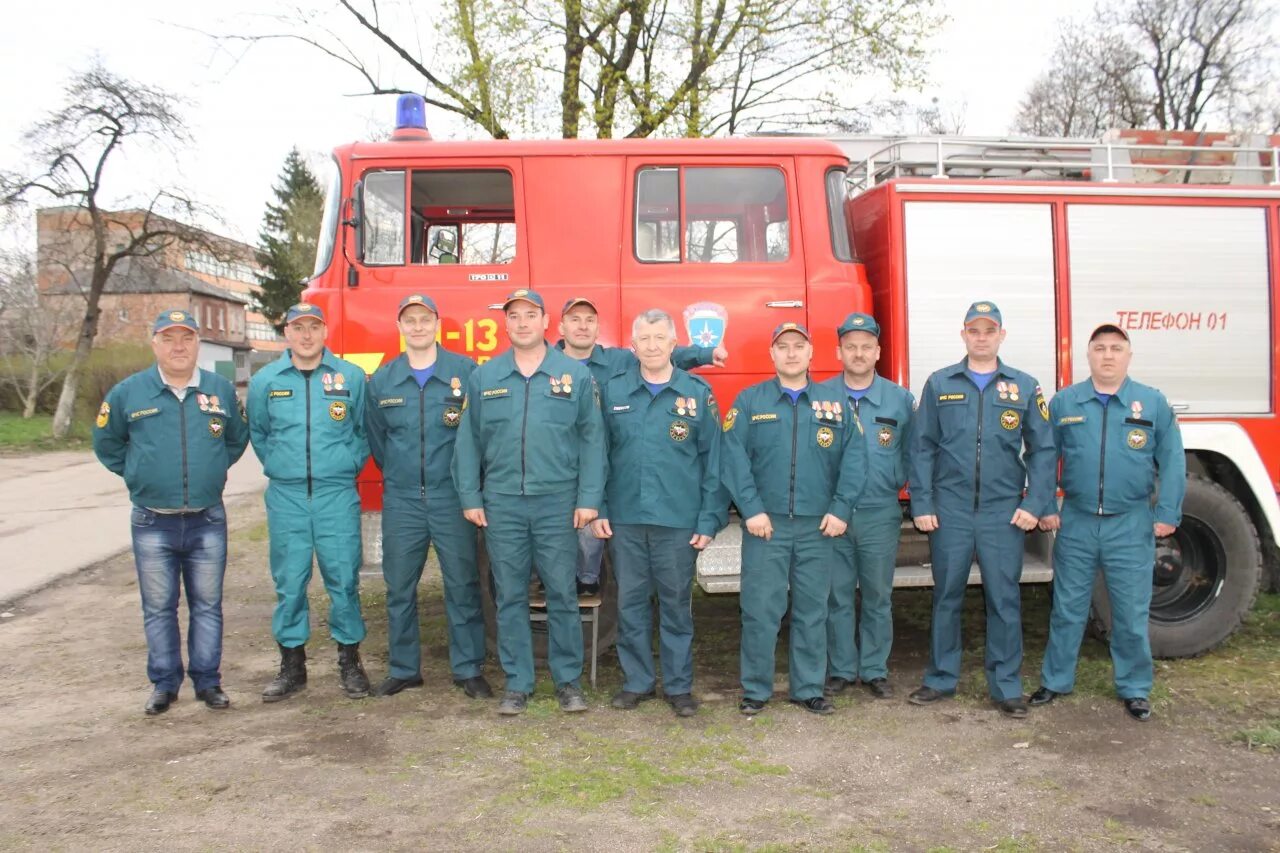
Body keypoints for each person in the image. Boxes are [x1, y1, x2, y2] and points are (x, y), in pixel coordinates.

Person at [452, 288, 606, 715]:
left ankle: (568, 682)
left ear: (545, 322)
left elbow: (594, 440)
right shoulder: (485, 377)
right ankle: (518, 682)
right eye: (514, 315)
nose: (522, 322)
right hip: (502, 503)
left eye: (530, 314)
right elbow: (467, 442)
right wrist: (471, 495)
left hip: (558, 502)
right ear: (505, 324)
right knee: (510, 594)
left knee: (562, 591)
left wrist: (589, 497)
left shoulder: (574, 375)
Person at [93, 309, 249, 716]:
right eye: (168, 338)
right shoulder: (129, 393)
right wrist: (139, 475)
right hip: (153, 521)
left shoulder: (219, 390)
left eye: (186, 338)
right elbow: (107, 444)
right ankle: (164, 684)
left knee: (208, 605)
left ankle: (208, 682)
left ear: (198, 343)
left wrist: (209, 471)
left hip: (206, 518)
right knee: (159, 607)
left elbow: (235, 441)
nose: (178, 346)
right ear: (154, 344)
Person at [906, 301, 1055, 718]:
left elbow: (1044, 449)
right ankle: (940, 678)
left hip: (1002, 513)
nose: (982, 336)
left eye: (990, 330)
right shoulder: (940, 383)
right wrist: (923, 502)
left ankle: (1006, 686)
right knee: (946, 596)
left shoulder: (1024, 386)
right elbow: (921, 448)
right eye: (975, 330)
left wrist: (1033, 503)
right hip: (949, 511)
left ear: (1002, 336)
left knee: (1004, 599)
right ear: (964, 334)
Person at [1031, 324, 1185, 722]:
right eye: (1100, 348)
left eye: (1116, 348)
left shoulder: (1150, 404)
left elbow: (1173, 462)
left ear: (1128, 355)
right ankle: (1056, 680)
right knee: (1067, 608)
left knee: (1130, 612)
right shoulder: (1066, 403)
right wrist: (1046, 504)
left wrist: (1167, 513)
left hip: (1130, 523)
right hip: (1078, 521)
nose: (1108, 355)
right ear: (1088, 356)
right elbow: (1045, 459)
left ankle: (1134, 688)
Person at [720, 322, 865, 716]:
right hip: (766, 526)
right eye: (782, 347)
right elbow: (732, 459)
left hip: (819, 525)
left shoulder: (834, 405)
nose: (790, 353)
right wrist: (751, 510)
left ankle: (807, 688)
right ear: (772, 354)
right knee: (760, 610)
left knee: (812, 610)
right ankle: (755, 689)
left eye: (798, 346)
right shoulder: (750, 402)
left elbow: (855, 459)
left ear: (811, 352)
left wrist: (840, 509)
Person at [591, 309, 726, 717]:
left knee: (675, 606)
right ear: (633, 347)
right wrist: (598, 508)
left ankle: (679, 687)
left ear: (673, 344)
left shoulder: (697, 393)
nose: (651, 346)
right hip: (627, 519)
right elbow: (598, 455)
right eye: (643, 339)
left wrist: (708, 519)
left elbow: (713, 463)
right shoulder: (613, 392)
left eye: (659, 338)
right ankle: (638, 682)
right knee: (630, 603)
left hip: (677, 522)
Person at [364, 294, 491, 700]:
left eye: (424, 319)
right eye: (409, 320)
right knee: (399, 588)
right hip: (402, 500)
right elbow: (378, 440)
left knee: (462, 585)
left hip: (451, 497)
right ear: (399, 326)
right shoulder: (384, 379)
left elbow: (479, 435)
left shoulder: (465, 373)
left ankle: (468, 669)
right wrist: (402, 476)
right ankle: (404, 669)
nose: (417, 327)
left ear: (437, 323)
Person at [556, 296, 727, 596]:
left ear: (598, 328)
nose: (582, 327)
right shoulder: (544, 364)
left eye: (589, 320)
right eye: (574, 320)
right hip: (561, 466)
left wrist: (705, 353)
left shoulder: (618, 361)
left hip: (614, 483)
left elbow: (663, 352)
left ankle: (587, 579)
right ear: (560, 327)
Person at [247, 302, 372, 702]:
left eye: (313, 327)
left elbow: (363, 431)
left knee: (344, 580)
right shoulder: (266, 380)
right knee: (290, 583)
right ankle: (292, 667)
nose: (306, 335)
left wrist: (347, 463)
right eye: (298, 327)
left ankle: (350, 662)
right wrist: (284, 468)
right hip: (287, 497)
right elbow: (259, 433)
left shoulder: (349, 376)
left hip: (336, 495)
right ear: (286, 332)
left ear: (325, 331)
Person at [817, 312, 914, 700]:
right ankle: (841, 668)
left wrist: (893, 481)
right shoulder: (821, 397)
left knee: (877, 595)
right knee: (836, 595)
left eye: (866, 347)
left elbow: (912, 452)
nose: (858, 353)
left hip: (878, 512)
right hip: (832, 515)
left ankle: (874, 669)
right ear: (839, 351)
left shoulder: (900, 399)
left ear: (878, 352)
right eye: (850, 346)